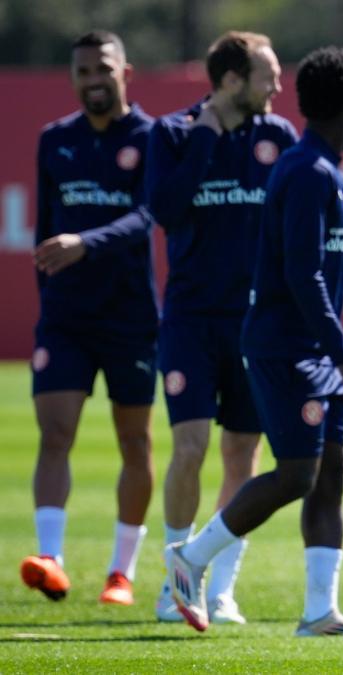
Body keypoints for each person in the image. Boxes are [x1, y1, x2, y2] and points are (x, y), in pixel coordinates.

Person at [146, 30, 343, 625]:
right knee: (291, 471)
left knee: (328, 472)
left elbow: (327, 251)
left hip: (304, 342)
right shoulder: (305, 171)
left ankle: (319, 610)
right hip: (273, 339)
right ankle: (188, 561)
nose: (277, 84)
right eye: (267, 72)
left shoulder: (302, 157)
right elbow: (301, 271)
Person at [21, 30, 157, 607]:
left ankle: (120, 574)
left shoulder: (152, 138)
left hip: (128, 316)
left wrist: (88, 242)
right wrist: (47, 293)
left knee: (135, 442)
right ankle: (50, 558)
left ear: (126, 70)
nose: (92, 80)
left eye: (102, 68)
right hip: (66, 318)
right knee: (54, 435)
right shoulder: (55, 140)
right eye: (81, 72)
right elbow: (44, 229)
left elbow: (150, 215)